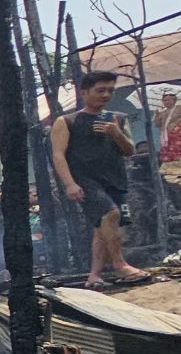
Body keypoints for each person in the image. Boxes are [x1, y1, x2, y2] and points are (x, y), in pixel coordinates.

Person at [52, 70, 148, 287]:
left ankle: (94, 275)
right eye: (100, 90)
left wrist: (115, 133)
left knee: (102, 226)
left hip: (114, 179)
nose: (105, 95)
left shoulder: (118, 119)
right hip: (84, 180)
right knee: (110, 214)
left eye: (110, 91)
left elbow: (129, 151)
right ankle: (120, 265)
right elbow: (58, 154)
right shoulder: (67, 121)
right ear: (84, 92)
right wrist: (70, 184)